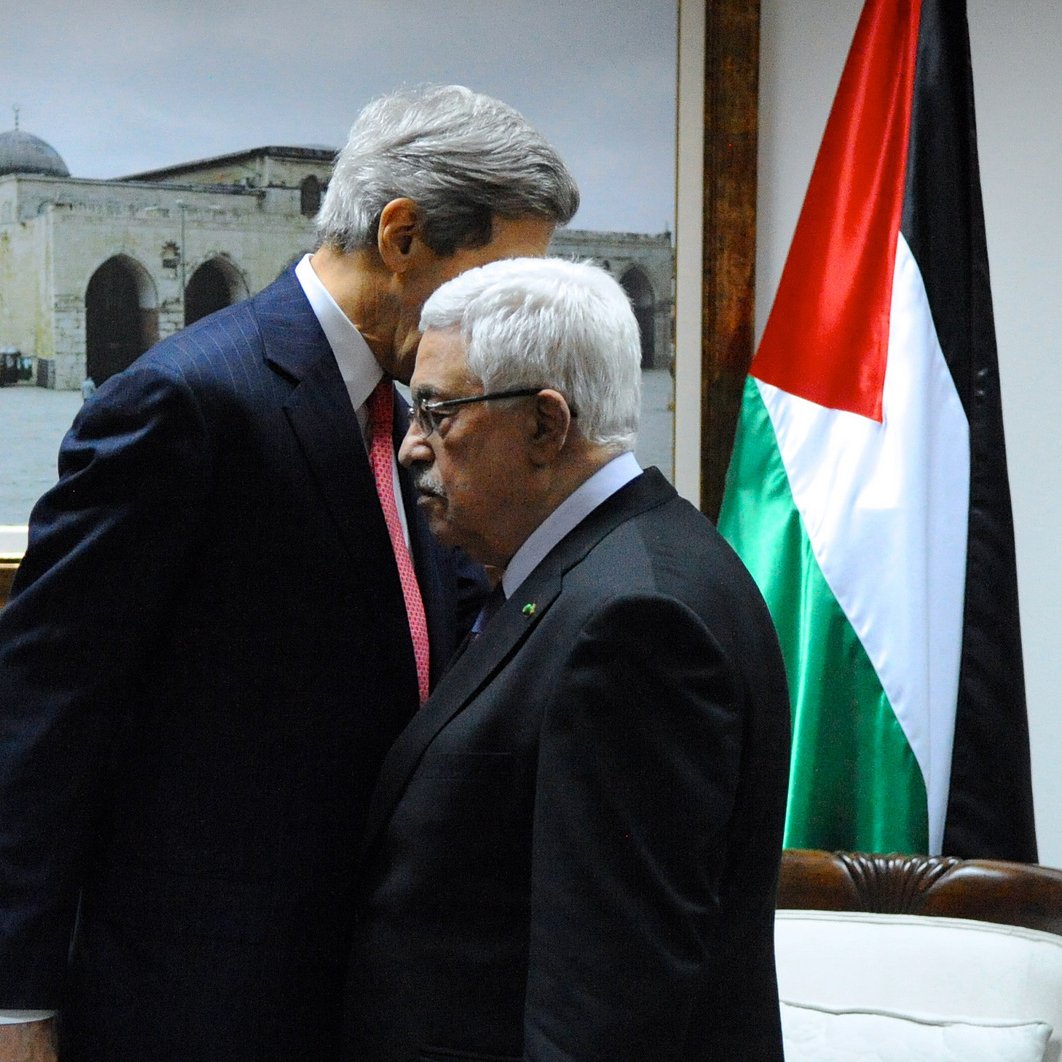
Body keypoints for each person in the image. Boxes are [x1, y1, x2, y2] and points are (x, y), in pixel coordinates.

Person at [0, 86, 578, 1062]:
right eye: (497, 282)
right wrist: (17, 1007)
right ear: (402, 235)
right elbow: (45, 716)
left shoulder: (412, 416)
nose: (508, 324)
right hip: (198, 1004)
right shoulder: (185, 404)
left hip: (365, 992)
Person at [345, 257, 793, 1061]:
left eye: (438, 412)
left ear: (547, 426)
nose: (412, 446)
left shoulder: (633, 623)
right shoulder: (606, 568)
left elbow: (606, 1004)